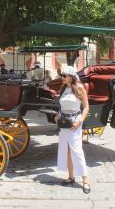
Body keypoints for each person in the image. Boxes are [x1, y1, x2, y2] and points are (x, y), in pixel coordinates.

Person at [55, 66, 90, 194]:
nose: (62, 78)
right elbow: (62, 106)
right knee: (66, 150)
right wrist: (57, 115)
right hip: (64, 124)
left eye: (64, 76)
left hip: (75, 122)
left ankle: (85, 181)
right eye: (62, 76)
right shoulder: (63, 89)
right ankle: (71, 177)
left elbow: (86, 107)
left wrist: (79, 121)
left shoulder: (80, 88)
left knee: (77, 151)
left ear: (71, 76)